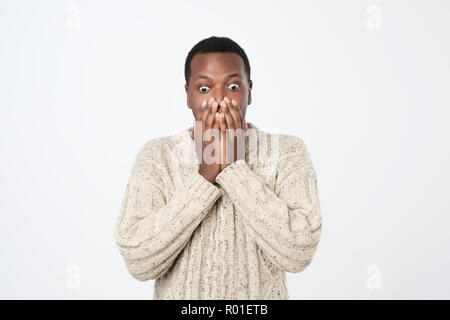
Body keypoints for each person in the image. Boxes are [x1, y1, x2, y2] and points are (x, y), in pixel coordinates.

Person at [114, 36, 322, 300]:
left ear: (250, 90)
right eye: (204, 89)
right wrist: (205, 175)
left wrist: (234, 169)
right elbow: (139, 260)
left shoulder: (287, 152)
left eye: (233, 86)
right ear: (188, 95)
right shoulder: (158, 156)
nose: (220, 100)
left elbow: (298, 253)